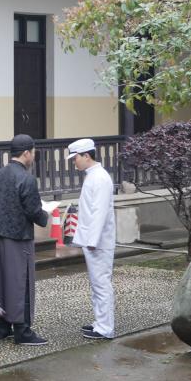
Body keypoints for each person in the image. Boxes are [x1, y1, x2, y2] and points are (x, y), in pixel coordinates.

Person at [0, 134, 53, 346]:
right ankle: (22, 331)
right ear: (26, 153)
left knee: (1, 281)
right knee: (20, 282)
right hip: (18, 237)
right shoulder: (27, 178)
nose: (33, 156)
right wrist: (46, 215)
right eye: (33, 152)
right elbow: (33, 210)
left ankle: (2, 327)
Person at [68, 138, 116, 340]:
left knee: (101, 284)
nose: (74, 162)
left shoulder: (99, 178)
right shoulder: (95, 176)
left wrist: (92, 241)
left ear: (86, 156)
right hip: (94, 240)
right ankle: (100, 323)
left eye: (75, 158)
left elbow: (99, 212)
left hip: (98, 241)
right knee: (97, 284)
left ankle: (105, 327)